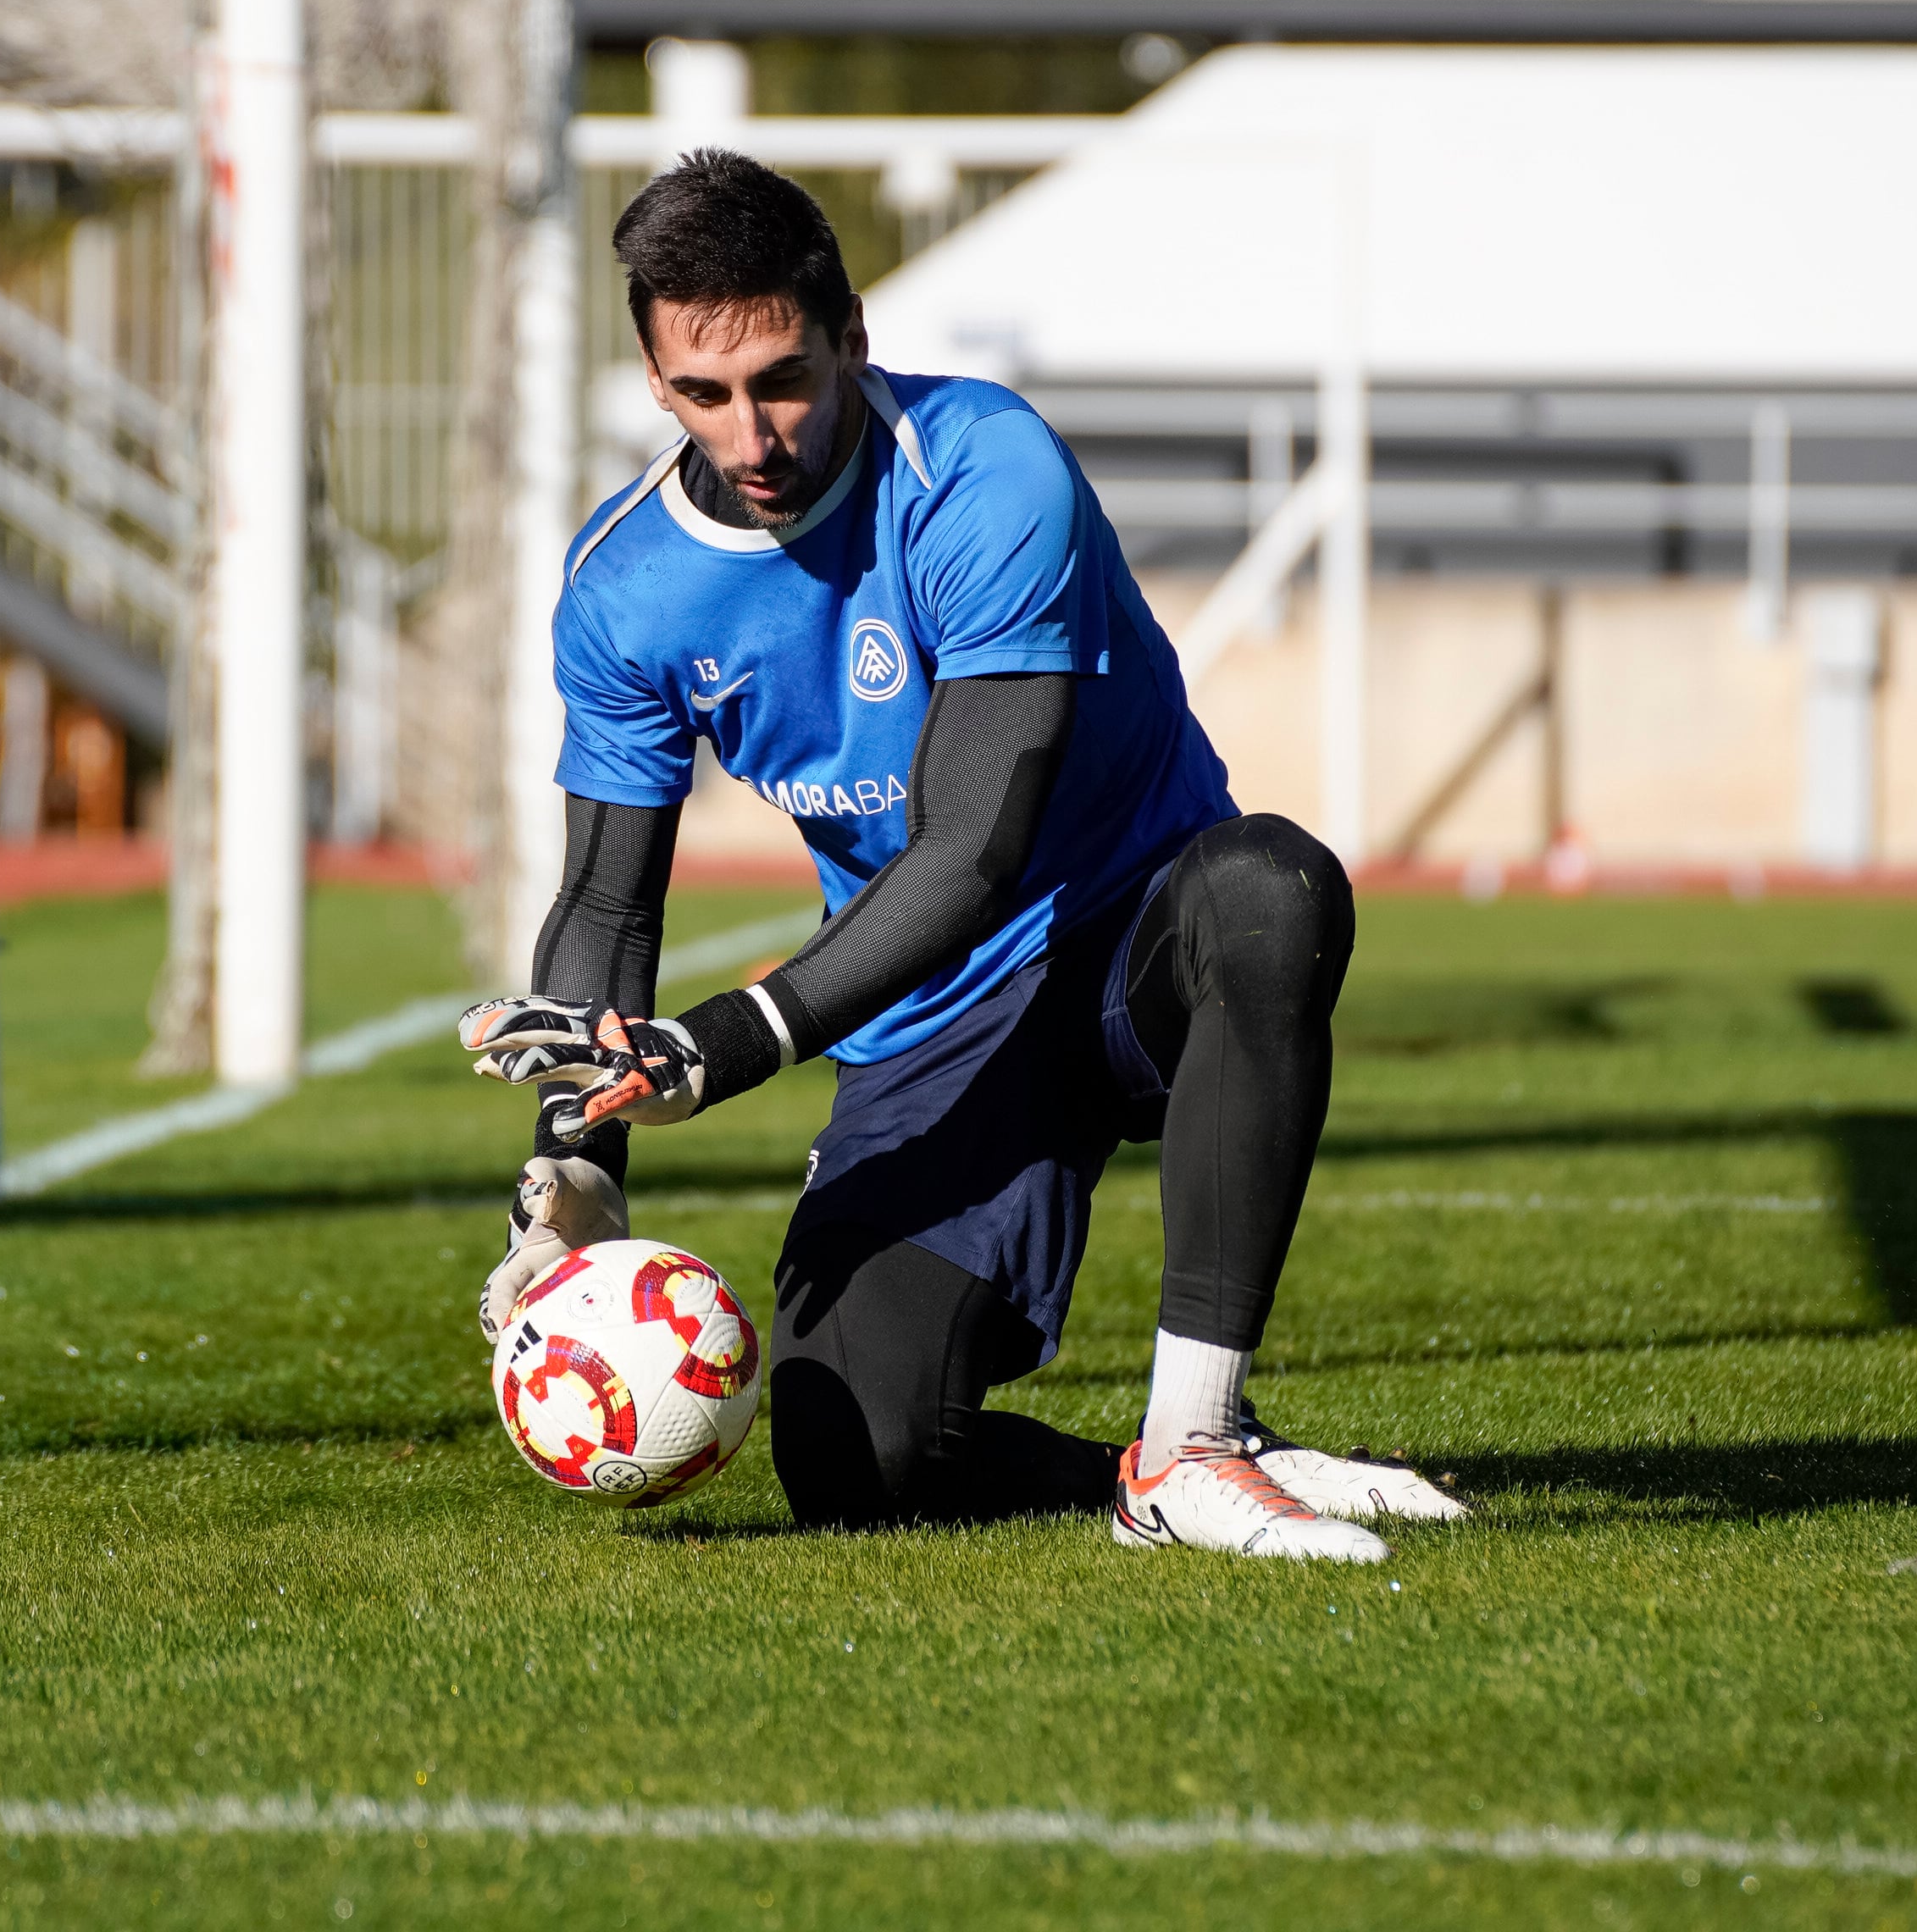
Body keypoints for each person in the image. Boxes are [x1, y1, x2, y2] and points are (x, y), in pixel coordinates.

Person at [458, 151, 1465, 1562]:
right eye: (703, 393)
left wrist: (731, 1044)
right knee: (854, 1456)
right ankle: (1141, 1479)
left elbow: (972, 847)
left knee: (1270, 890)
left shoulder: (986, 468)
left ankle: (1201, 1440)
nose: (751, 437)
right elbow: (607, 902)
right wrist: (582, 1169)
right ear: (654, 381)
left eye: (783, 379)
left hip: (1128, 948)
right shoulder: (623, 588)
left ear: (854, 337)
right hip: (933, 1014)